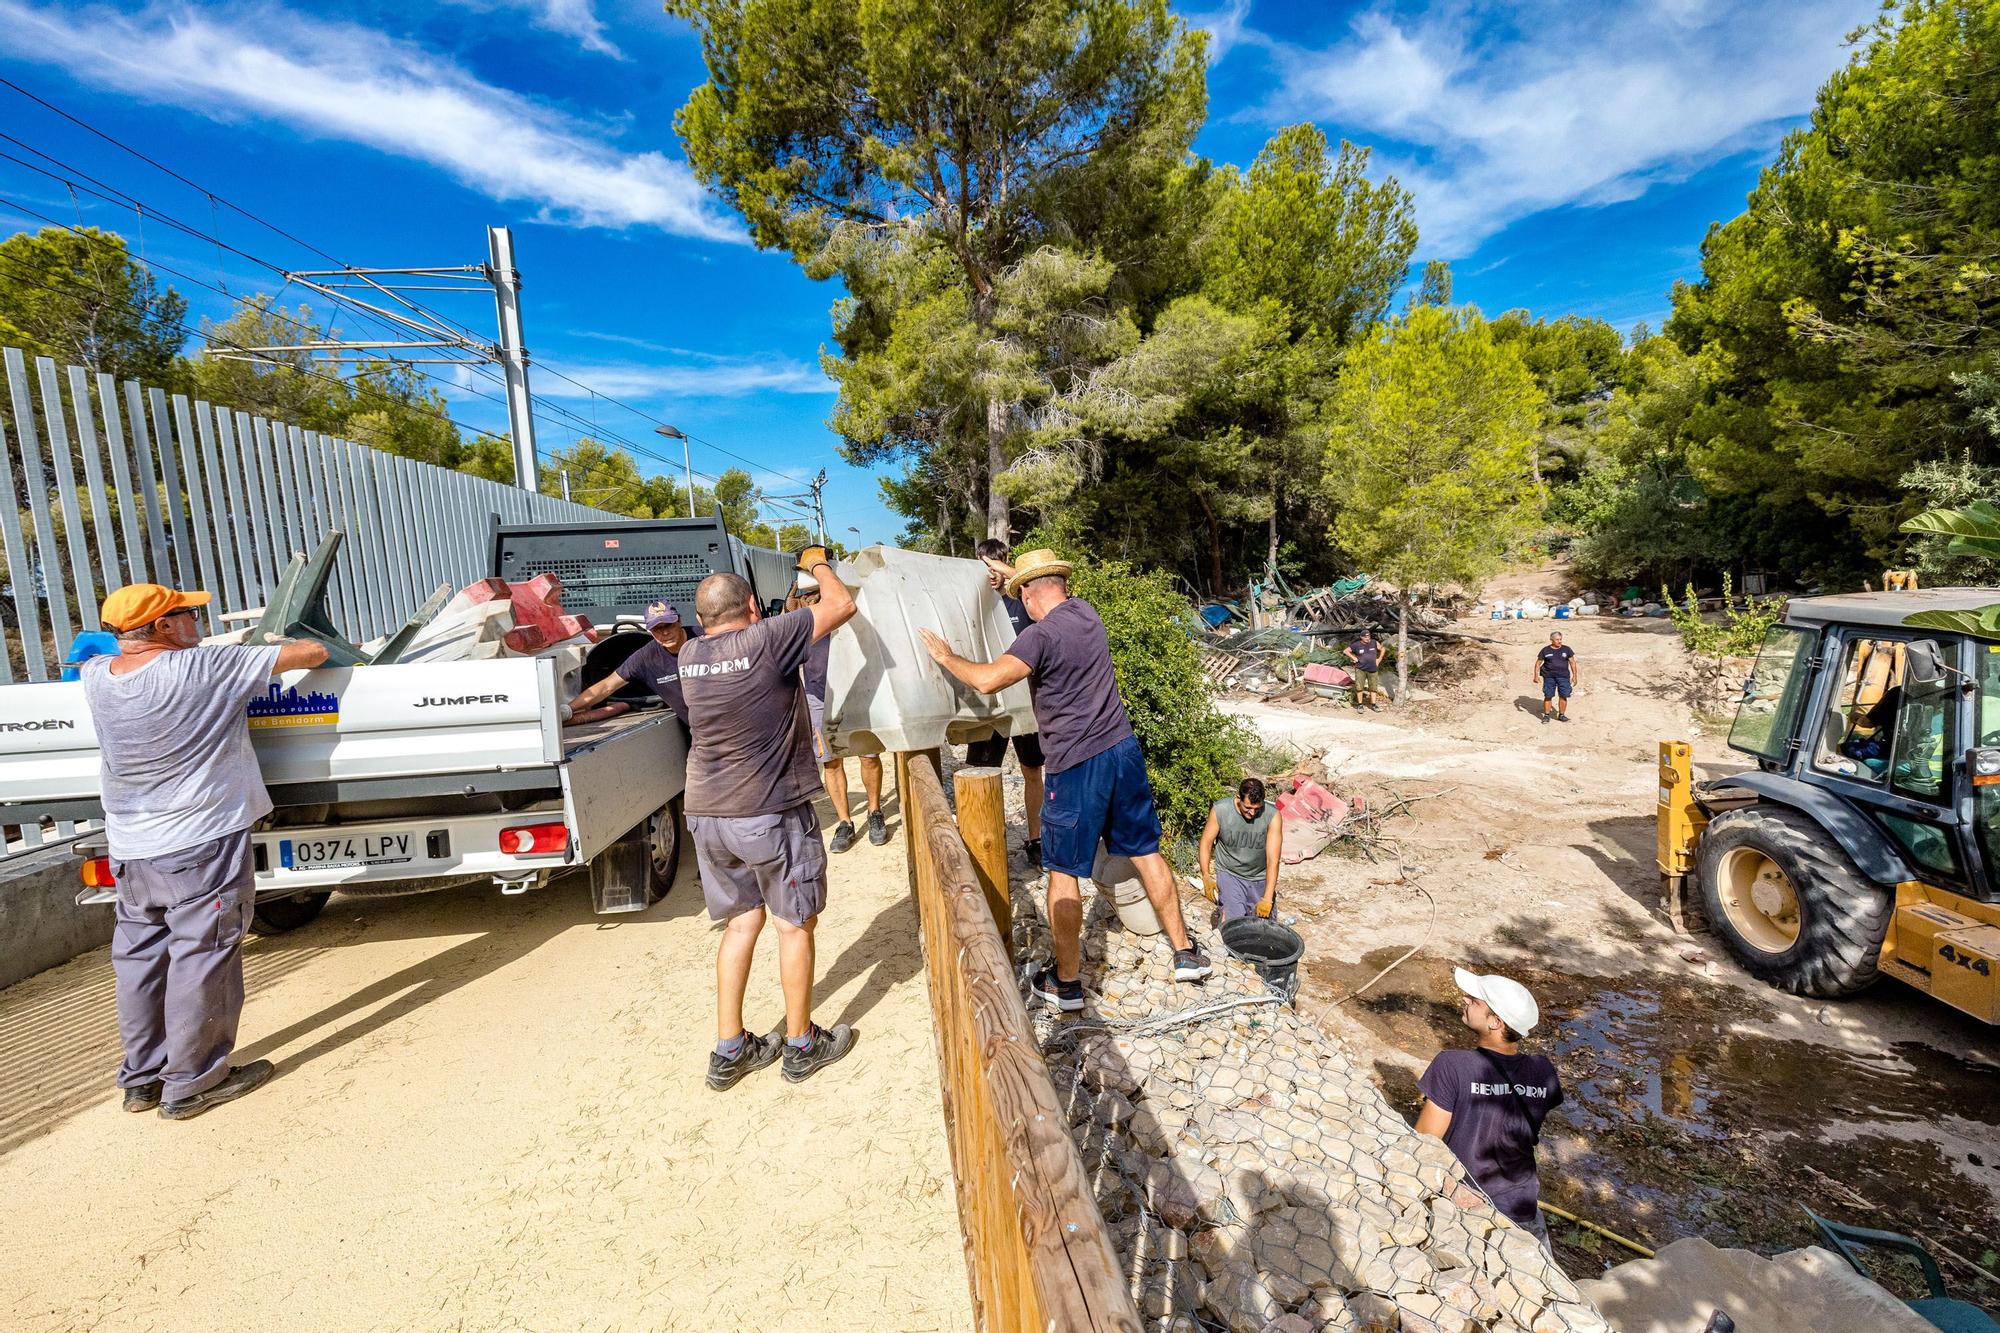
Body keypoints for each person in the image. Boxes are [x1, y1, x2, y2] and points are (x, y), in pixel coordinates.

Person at [918, 548, 1211, 1012]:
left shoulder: (1040, 636)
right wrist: (1017, 575)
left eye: (1022, 596)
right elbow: (1042, 586)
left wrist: (947, 655)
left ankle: (1067, 983)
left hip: (1076, 766)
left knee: (1062, 873)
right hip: (1122, 750)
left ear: (1033, 595)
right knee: (1145, 851)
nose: (1023, 605)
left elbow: (990, 680)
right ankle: (1185, 954)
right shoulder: (1084, 613)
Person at [81, 582, 330, 1120]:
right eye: (189, 614)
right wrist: (283, 642)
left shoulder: (97, 676)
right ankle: (194, 1083)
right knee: (204, 955)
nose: (199, 620)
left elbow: (103, 653)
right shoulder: (204, 668)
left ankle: (142, 1079)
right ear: (165, 628)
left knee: (140, 960)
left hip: (130, 843)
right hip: (199, 841)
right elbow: (313, 654)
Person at [678, 548, 858, 1089]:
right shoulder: (768, 639)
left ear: (702, 619)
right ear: (753, 607)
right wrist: (817, 562)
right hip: (767, 812)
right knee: (793, 924)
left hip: (707, 811)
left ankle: (729, 1049)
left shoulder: (688, 655)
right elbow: (841, 603)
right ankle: (802, 1044)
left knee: (740, 923)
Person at [1415, 967, 1564, 1245]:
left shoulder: (1452, 1065)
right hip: (1521, 1207)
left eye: (1475, 1001)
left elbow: (1425, 1141)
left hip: (1467, 1202)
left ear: (1496, 1022)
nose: (1465, 1000)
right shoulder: (1543, 1071)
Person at [965, 538, 1045, 868]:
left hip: (1025, 702)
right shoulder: (973, 603)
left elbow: (1042, 593)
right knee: (982, 772)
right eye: (983, 567)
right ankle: (985, 836)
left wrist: (1010, 575)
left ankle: (1036, 838)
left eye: (994, 566)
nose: (990, 574)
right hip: (988, 702)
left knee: (1031, 771)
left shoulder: (1021, 602)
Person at [791, 581, 888, 853]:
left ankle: (874, 811)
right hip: (818, 696)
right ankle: (845, 821)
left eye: (815, 592)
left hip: (858, 694)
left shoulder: (848, 610)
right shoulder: (800, 624)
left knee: (868, 756)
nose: (812, 597)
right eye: (806, 593)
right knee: (831, 761)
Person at [564, 599, 700, 726]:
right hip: (698, 731)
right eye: (657, 628)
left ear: (680, 621)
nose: (665, 633)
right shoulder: (646, 657)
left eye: (669, 625)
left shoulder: (704, 638)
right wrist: (568, 709)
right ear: (650, 632)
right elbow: (606, 686)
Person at [1198, 777, 1283, 923]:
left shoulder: (1272, 815)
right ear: (1239, 798)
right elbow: (1206, 843)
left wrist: (1268, 898)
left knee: (1263, 926)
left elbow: (1273, 860)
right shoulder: (1221, 810)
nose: (1252, 813)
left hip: (1259, 876)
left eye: (1257, 809)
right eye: (1248, 808)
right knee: (1234, 921)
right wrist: (1206, 875)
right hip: (1230, 873)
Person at [1534, 631, 1578, 723]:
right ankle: (1546, 715)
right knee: (1548, 695)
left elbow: (1572, 663)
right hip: (1549, 677)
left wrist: (1575, 676)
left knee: (1563, 695)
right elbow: (1538, 663)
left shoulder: (1567, 649)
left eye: (1560, 639)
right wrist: (1536, 675)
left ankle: (1561, 715)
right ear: (1551, 640)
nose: (1559, 641)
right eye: (1557, 640)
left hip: (1563, 677)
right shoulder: (1545, 650)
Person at [1343, 629, 1387, 712]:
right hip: (1360, 669)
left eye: (1369, 636)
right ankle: (1360, 705)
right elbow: (1346, 651)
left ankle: (1373, 705)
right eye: (1365, 637)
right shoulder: (1356, 645)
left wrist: (1379, 659)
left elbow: (1383, 649)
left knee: (1373, 688)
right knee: (1359, 687)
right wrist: (1353, 658)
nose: (1368, 638)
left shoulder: (1374, 642)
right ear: (1361, 637)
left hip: (1373, 669)